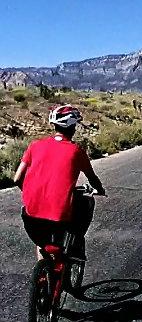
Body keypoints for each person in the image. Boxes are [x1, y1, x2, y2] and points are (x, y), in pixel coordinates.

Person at [13, 104, 106, 260]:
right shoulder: (76, 151)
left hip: (30, 216)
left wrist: (32, 193)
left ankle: (43, 274)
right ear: (72, 127)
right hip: (60, 217)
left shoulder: (34, 145)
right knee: (87, 202)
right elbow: (92, 178)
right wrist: (100, 190)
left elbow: (17, 178)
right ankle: (75, 243)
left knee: (42, 242)